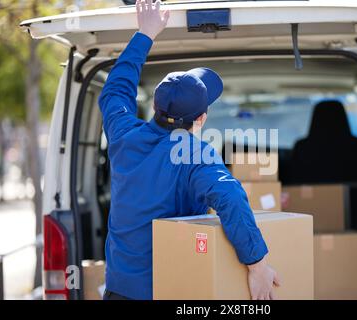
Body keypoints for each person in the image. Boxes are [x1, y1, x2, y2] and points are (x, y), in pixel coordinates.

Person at [99, 0, 279, 300]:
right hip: (170, 289)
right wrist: (257, 265)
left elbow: (115, 90)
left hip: (118, 291)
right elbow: (231, 196)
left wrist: (146, 33)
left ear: (156, 106)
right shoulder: (195, 156)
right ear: (201, 119)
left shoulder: (123, 134)